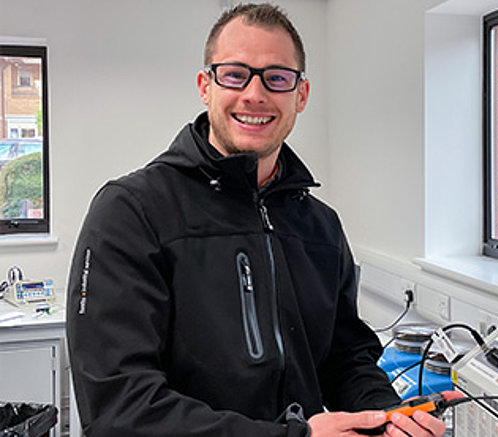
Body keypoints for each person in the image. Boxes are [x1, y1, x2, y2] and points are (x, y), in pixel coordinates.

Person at [66, 3, 458, 437]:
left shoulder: (321, 227)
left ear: (301, 95)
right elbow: (119, 408)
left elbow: (344, 357)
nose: (255, 94)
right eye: (235, 74)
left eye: (276, 78)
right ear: (205, 86)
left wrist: (387, 417)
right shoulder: (132, 212)